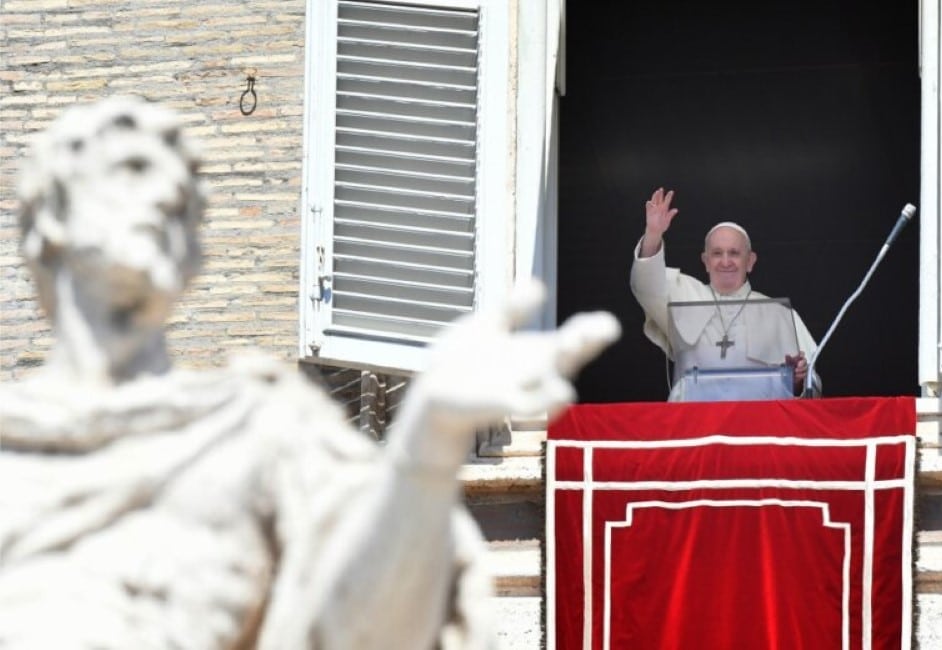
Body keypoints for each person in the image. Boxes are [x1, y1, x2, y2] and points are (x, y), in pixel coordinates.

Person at [0, 96, 620, 649]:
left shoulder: (261, 432)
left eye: (184, 204)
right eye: (132, 172)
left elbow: (368, 628)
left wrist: (428, 444)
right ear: (51, 215)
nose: (164, 199)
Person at [630, 187, 820, 401]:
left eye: (735, 253)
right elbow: (646, 287)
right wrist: (653, 234)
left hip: (758, 425)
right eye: (717, 253)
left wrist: (796, 381)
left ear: (750, 261)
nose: (726, 261)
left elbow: (812, 385)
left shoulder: (778, 312)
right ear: (706, 261)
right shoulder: (682, 294)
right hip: (693, 424)